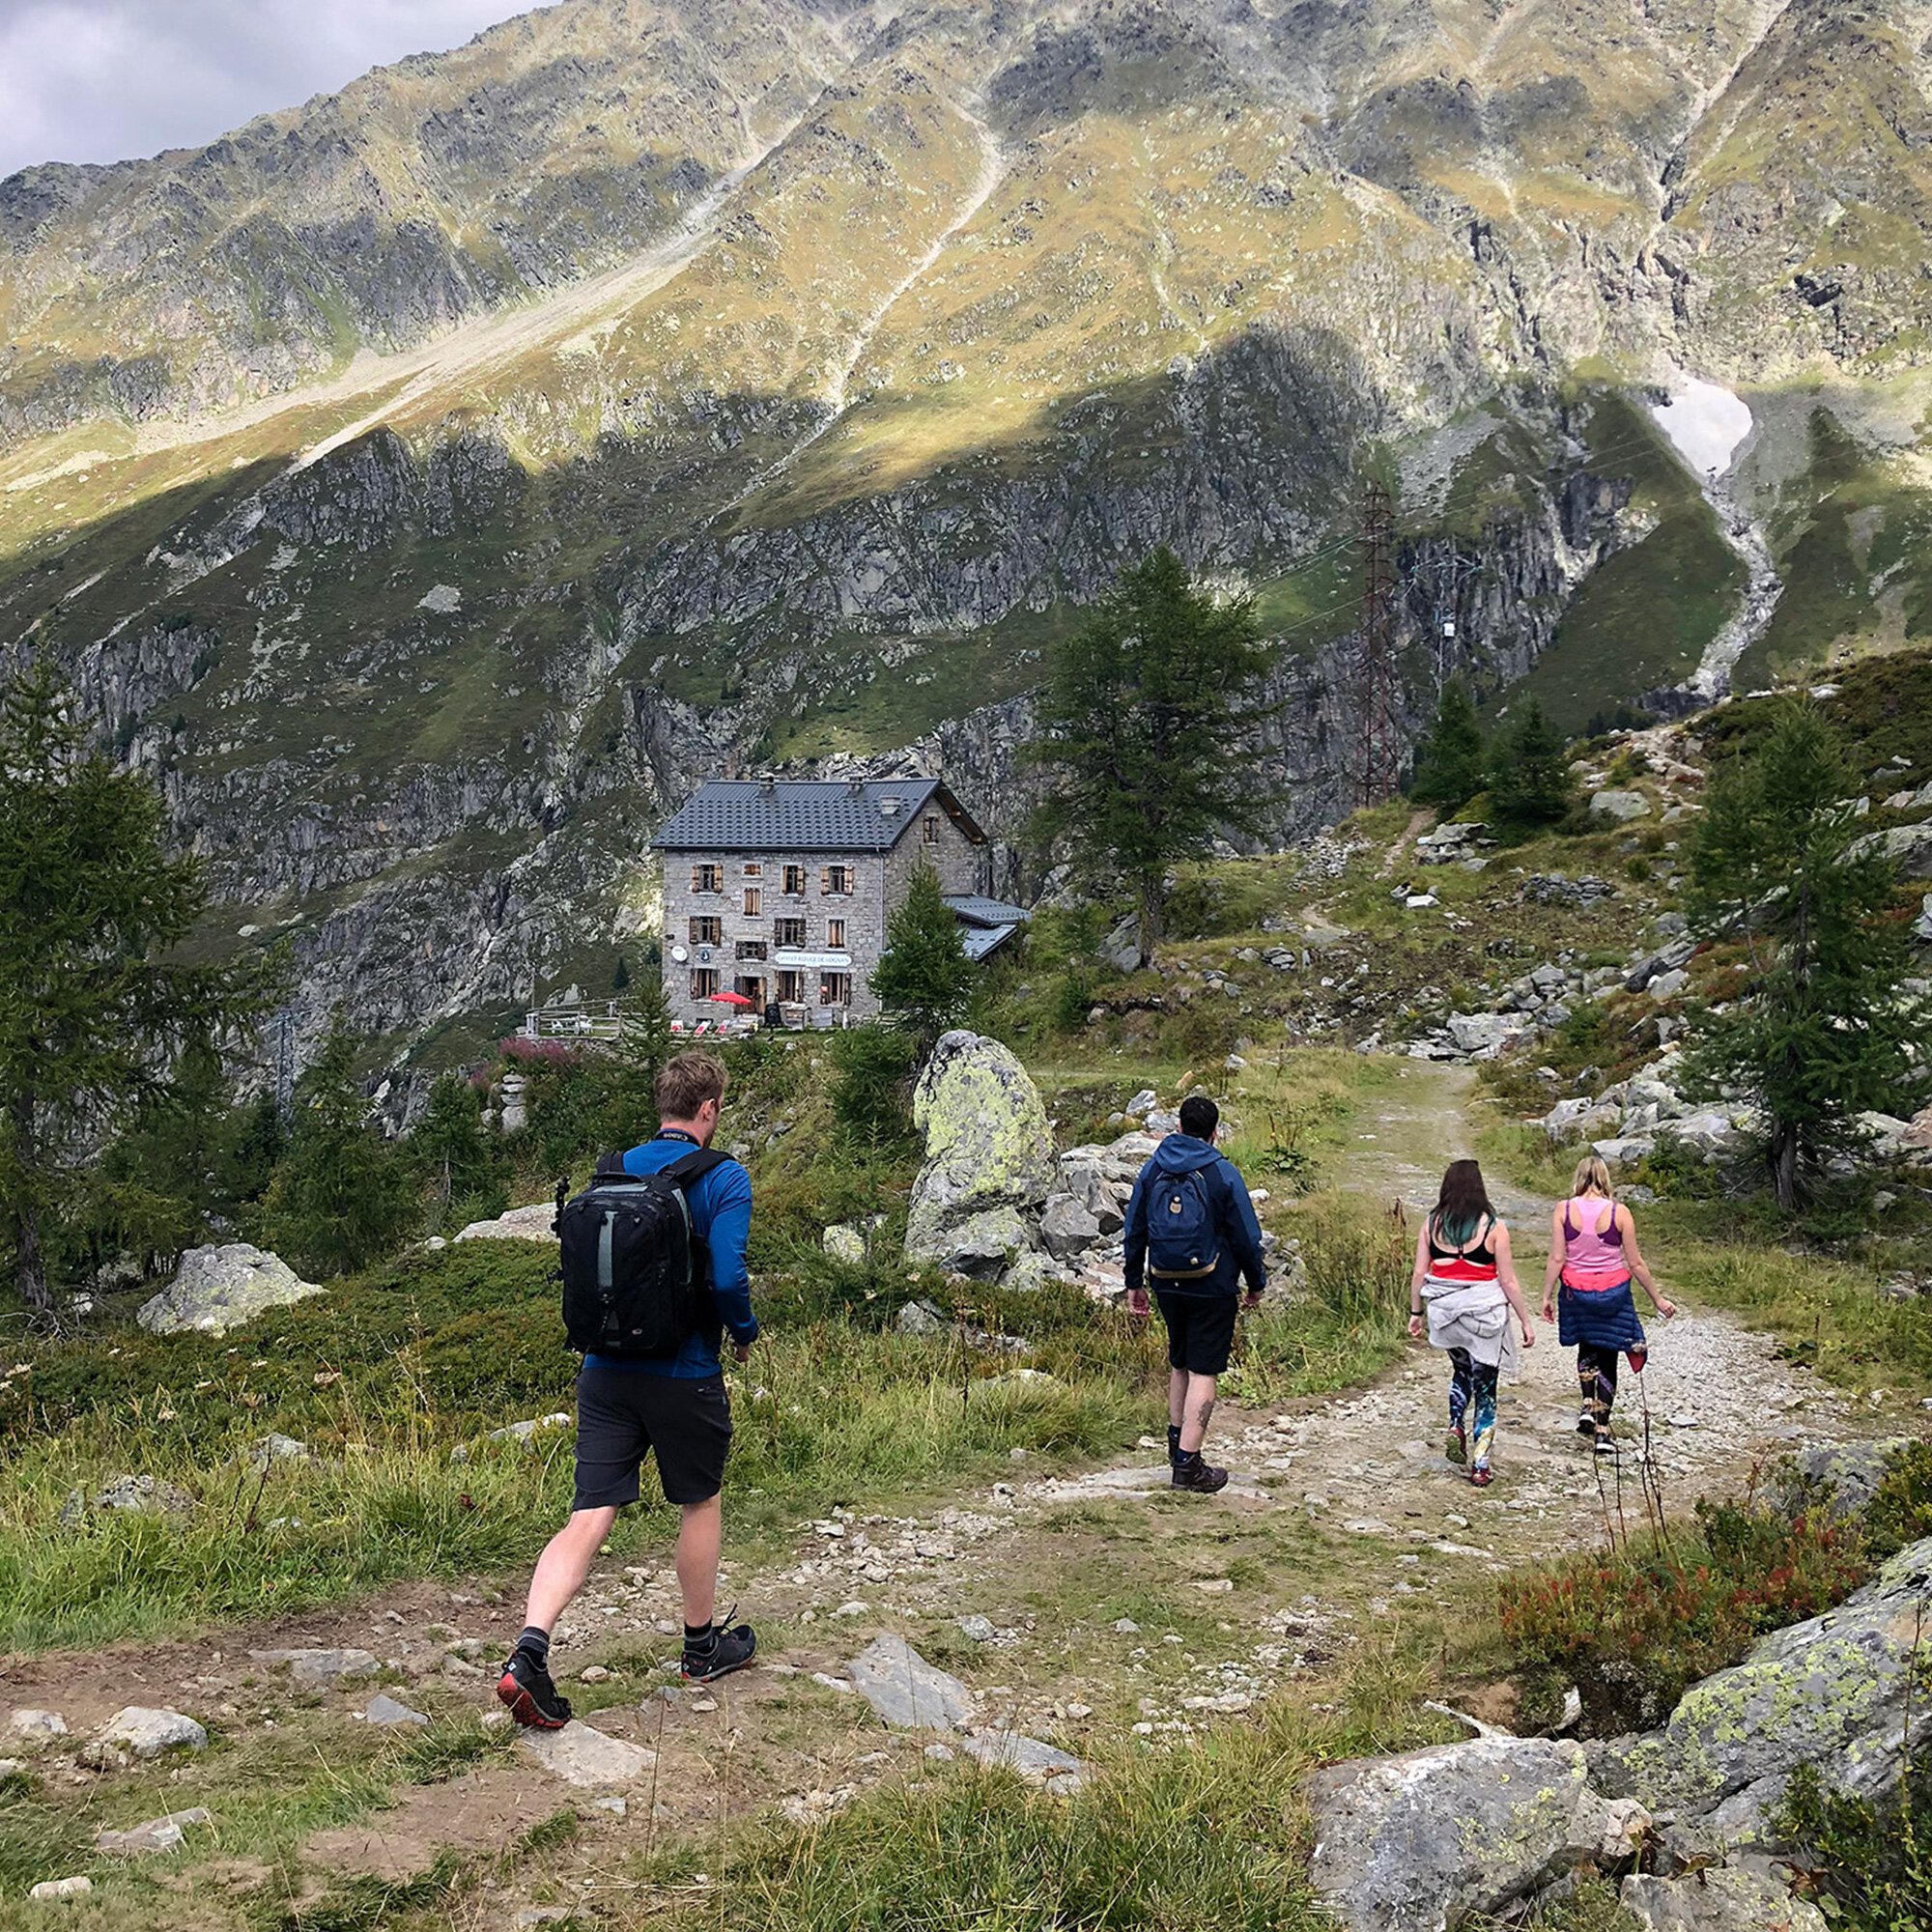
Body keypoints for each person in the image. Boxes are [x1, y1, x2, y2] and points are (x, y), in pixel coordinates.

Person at [497, 1051, 758, 1729]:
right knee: (699, 1502)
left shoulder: (611, 1171)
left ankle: (529, 1650)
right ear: (709, 1110)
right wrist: (746, 1333)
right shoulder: (723, 1177)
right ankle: (701, 1648)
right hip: (684, 1372)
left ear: (662, 1106)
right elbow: (728, 1278)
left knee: (589, 1515)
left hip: (604, 1372)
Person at [1123, 1094, 1267, 1495]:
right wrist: (1256, 1283)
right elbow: (1246, 1237)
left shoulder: (1153, 1168)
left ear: (1180, 1127)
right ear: (1214, 1132)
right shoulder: (1221, 1172)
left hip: (1165, 1280)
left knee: (1180, 1362)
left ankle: (1177, 1448)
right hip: (1212, 1284)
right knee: (1205, 1370)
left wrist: (1134, 1282)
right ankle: (1188, 1465)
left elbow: (1133, 1227)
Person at [1407, 1158, 1536, 1489]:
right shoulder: (1494, 1228)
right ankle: (1480, 1464)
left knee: (1460, 1372)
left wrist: (1415, 1313)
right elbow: (1508, 1282)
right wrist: (1525, 1321)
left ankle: (1454, 1424)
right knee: (1486, 1389)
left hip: (1446, 1318)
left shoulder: (1431, 1224)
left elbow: (1420, 1273)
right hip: (1483, 1319)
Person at [1540, 1153, 1675, 1455]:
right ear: (1604, 1179)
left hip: (1576, 1292)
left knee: (1586, 1348)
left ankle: (1588, 1405)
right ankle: (1602, 1432)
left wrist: (1546, 1296)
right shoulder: (1620, 1213)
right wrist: (1658, 1298)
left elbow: (1557, 1258)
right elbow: (1635, 1263)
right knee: (1609, 1357)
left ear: (1578, 1178)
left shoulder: (1563, 1210)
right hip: (1614, 1293)